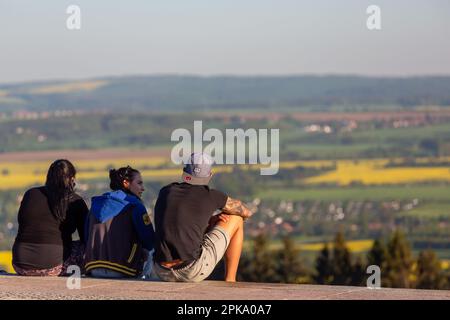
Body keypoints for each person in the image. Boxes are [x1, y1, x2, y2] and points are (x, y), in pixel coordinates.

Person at [153, 152, 253, 282]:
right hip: (191, 270)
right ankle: (230, 280)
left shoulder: (165, 191)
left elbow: (183, 222)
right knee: (236, 219)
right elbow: (245, 212)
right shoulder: (211, 196)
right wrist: (219, 218)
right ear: (210, 175)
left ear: (184, 172)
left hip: (161, 271)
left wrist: (210, 220)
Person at [12, 159, 88, 276]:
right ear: (72, 179)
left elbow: (22, 223)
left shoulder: (30, 194)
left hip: (20, 265)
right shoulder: (75, 201)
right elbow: (86, 237)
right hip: (53, 266)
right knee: (87, 248)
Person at [84, 166, 155, 278]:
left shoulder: (95, 205)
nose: (143, 188)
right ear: (126, 183)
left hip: (92, 267)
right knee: (154, 251)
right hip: (124, 268)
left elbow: (86, 237)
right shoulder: (135, 206)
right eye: (139, 183)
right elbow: (150, 241)